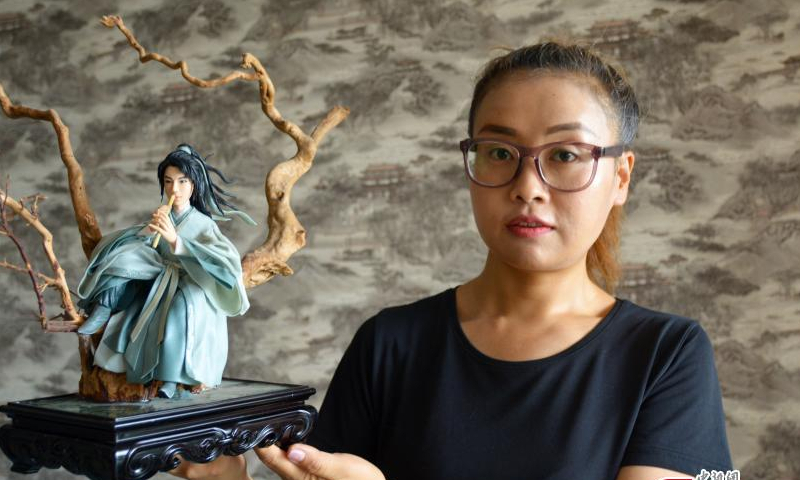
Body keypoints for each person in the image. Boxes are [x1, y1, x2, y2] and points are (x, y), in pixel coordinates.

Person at [173, 42, 732, 479]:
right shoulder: (389, 344)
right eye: (499, 153)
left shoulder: (668, 356)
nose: (528, 186)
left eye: (564, 155)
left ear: (621, 177)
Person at [77, 144, 255, 399]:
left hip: (191, 281)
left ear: (194, 185)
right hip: (160, 273)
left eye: (182, 182)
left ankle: (171, 378)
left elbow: (222, 258)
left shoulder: (203, 224)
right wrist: (149, 232)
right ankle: (104, 306)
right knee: (124, 258)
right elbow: (147, 245)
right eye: (168, 181)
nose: (175, 189)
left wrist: (177, 241)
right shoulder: (164, 214)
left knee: (178, 311)